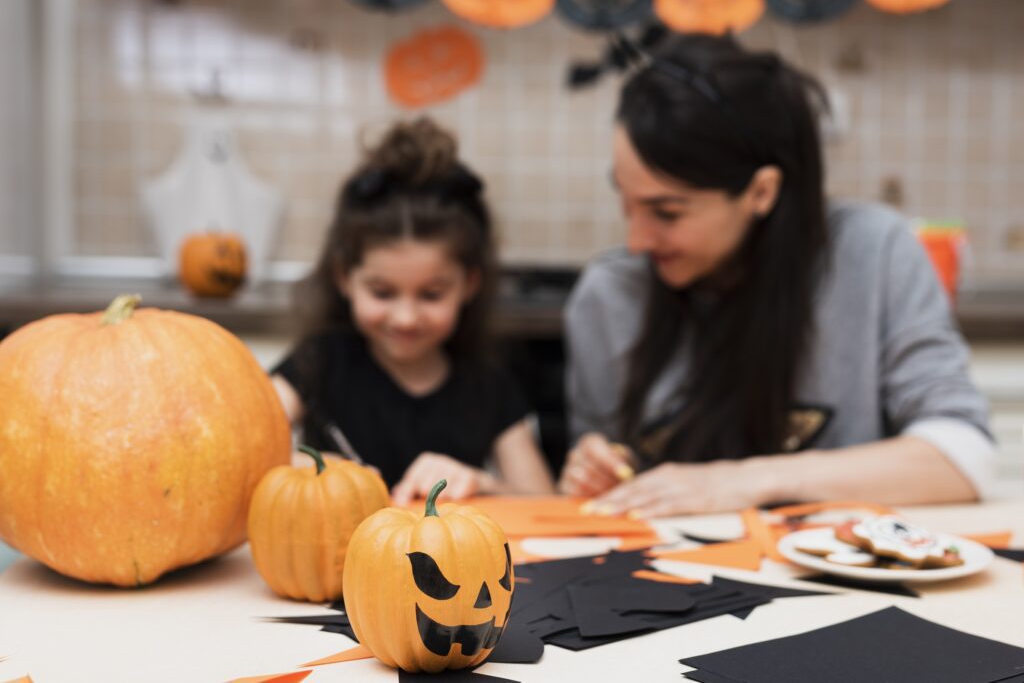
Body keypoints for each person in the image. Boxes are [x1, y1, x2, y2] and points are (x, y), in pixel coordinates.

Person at [558, 34, 994, 517]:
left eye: (667, 213)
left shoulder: (875, 253)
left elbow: (962, 454)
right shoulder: (609, 296)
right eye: (626, 201)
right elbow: (603, 475)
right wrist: (594, 469)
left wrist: (745, 480)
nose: (637, 240)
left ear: (762, 191)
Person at [272, 118, 555, 504]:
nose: (405, 318)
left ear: (469, 285)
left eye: (431, 295)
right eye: (382, 293)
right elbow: (236, 449)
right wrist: (294, 467)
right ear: (344, 278)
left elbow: (546, 505)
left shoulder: (490, 383)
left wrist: (481, 482)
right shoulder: (318, 362)